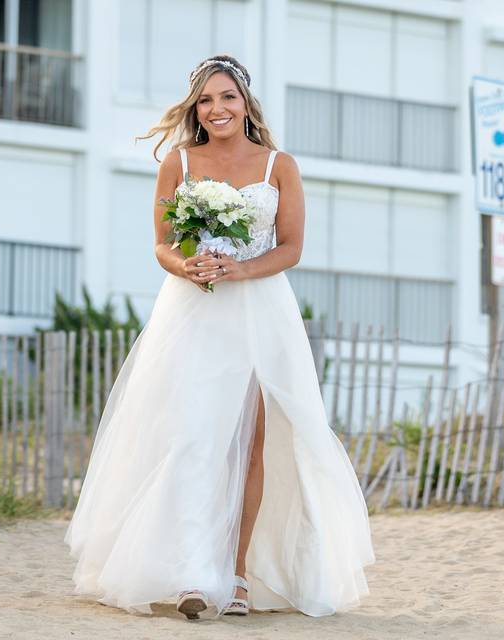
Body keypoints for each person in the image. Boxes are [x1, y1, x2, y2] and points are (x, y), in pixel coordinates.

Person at [64, 54, 374, 621]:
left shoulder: (279, 165)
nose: (217, 109)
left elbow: (291, 247)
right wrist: (189, 268)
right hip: (191, 312)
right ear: (195, 109)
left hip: (259, 312)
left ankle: (234, 575)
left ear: (246, 102)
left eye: (227, 97)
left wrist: (241, 271)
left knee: (250, 442)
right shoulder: (179, 163)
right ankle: (189, 573)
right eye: (206, 100)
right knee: (190, 438)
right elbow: (162, 244)